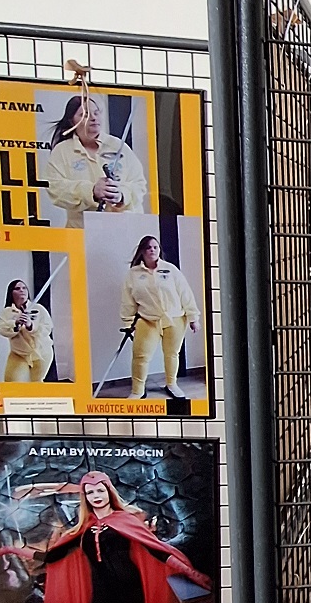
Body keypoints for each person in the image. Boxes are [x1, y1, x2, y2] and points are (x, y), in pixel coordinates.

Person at [0, 469, 211, 603]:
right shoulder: (83, 529)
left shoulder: (125, 520)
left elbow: (158, 551)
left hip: (132, 591)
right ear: (85, 497)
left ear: (109, 492)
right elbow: (51, 557)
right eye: (90, 492)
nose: (96, 496)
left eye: (100, 490)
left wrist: (191, 573)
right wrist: (10, 550)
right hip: (101, 594)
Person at [44, 92, 148, 226]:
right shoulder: (62, 151)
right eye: (85, 114)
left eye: (96, 113)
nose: (93, 118)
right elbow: (55, 189)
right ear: (72, 121)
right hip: (81, 231)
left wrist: (121, 195)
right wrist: (91, 191)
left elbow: (139, 185)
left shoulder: (118, 146)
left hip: (123, 228)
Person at [119, 235, 200, 399]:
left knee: (172, 354)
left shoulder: (170, 269)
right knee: (141, 355)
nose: (152, 250)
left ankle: (171, 384)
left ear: (159, 250)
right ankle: (137, 390)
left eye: (155, 247)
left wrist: (193, 317)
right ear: (142, 251)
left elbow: (185, 293)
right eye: (148, 247)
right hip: (148, 320)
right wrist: (128, 322)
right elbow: (128, 300)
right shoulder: (133, 274)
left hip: (175, 318)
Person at [0, 278, 54, 382]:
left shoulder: (39, 309)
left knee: (36, 383)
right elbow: (2, 329)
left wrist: (30, 325)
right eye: (17, 288)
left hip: (42, 353)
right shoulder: (7, 312)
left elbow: (47, 328)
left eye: (24, 288)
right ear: (11, 293)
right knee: (12, 382)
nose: (22, 290)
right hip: (19, 354)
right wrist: (16, 324)